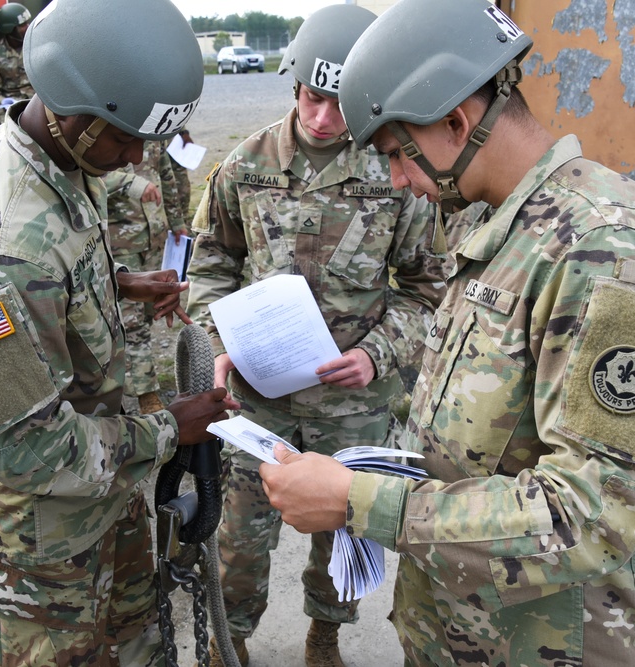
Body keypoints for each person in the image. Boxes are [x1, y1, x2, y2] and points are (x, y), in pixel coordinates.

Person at [259, 1, 635, 665]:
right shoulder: (501, 227)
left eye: (394, 154)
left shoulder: (607, 253)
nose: (397, 180)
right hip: (471, 631)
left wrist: (360, 500)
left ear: (454, 121)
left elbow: (589, 517)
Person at [0, 0, 239, 664]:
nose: (134, 157)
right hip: (42, 543)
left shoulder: (60, 154)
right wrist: (169, 427)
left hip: (97, 489)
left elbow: (63, 260)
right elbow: (28, 450)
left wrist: (120, 280)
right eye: (124, 137)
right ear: (66, 104)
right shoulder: (4, 257)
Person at [185, 6, 443, 665]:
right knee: (239, 535)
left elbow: (425, 284)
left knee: (347, 531)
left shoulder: (393, 171)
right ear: (291, 82)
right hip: (257, 395)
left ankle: (325, 632)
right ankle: (229, 636)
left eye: (338, 102)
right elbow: (210, 260)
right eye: (310, 96)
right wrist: (219, 343)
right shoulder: (245, 164)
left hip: (350, 400)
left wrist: (374, 354)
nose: (323, 117)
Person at [103, 139, 187, 414]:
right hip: (119, 244)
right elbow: (87, 176)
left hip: (154, 238)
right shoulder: (104, 125)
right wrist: (131, 183)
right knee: (132, 324)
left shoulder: (154, 130)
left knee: (150, 314)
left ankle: (131, 374)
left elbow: (166, 176)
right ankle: (145, 393)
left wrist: (176, 222)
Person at [0, 2, 34, 124]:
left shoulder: (36, 45)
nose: (27, 27)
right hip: (13, 106)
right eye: (22, 25)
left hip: (39, 100)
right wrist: (4, 101)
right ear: (10, 29)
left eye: (27, 23)